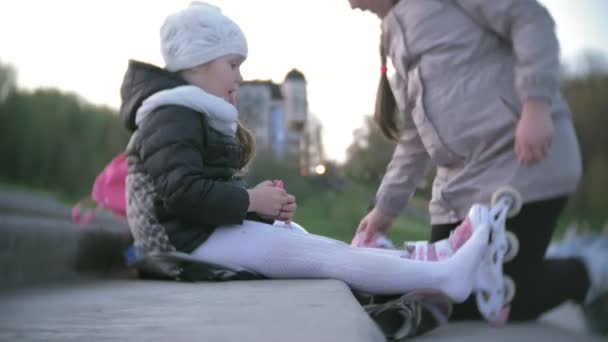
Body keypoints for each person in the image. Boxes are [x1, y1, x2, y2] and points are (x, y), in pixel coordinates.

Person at [120, 4, 502, 337]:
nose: (239, 77)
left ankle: (435, 258)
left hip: (192, 235)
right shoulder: (171, 116)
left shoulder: (184, 113)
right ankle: (444, 277)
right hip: (178, 247)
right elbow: (184, 195)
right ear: (197, 63)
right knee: (315, 253)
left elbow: (195, 190)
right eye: (233, 65)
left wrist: (255, 205)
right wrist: (251, 199)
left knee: (307, 241)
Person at [347, 0, 607, 328]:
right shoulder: (394, 35)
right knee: (441, 288)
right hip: (458, 192)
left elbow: (529, 18)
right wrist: (385, 209)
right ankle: (540, 256)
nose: (352, 5)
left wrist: (536, 105)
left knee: (498, 297)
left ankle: (595, 263)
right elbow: (415, 139)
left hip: (521, 165)